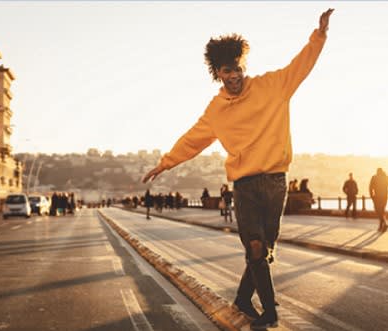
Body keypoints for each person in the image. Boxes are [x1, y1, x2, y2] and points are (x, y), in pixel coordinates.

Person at [142, 8, 333, 330]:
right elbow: (192, 140)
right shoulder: (216, 110)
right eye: (227, 71)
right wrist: (165, 163)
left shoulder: (273, 85)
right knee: (255, 246)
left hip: (275, 182)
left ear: (244, 67)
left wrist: (319, 35)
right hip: (244, 186)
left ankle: (243, 299)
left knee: (264, 251)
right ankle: (270, 311)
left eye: (238, 70)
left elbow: (302, 65)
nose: (234, 77)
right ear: (217, 72)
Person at [369, 168, 388, 232]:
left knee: (378, 210)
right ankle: (382, 226)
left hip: (377, 197)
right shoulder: (386, 177)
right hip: (384, 196)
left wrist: (372, 196)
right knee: (382, 210)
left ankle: (384, 224)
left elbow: (370, 188)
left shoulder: (374, 177)